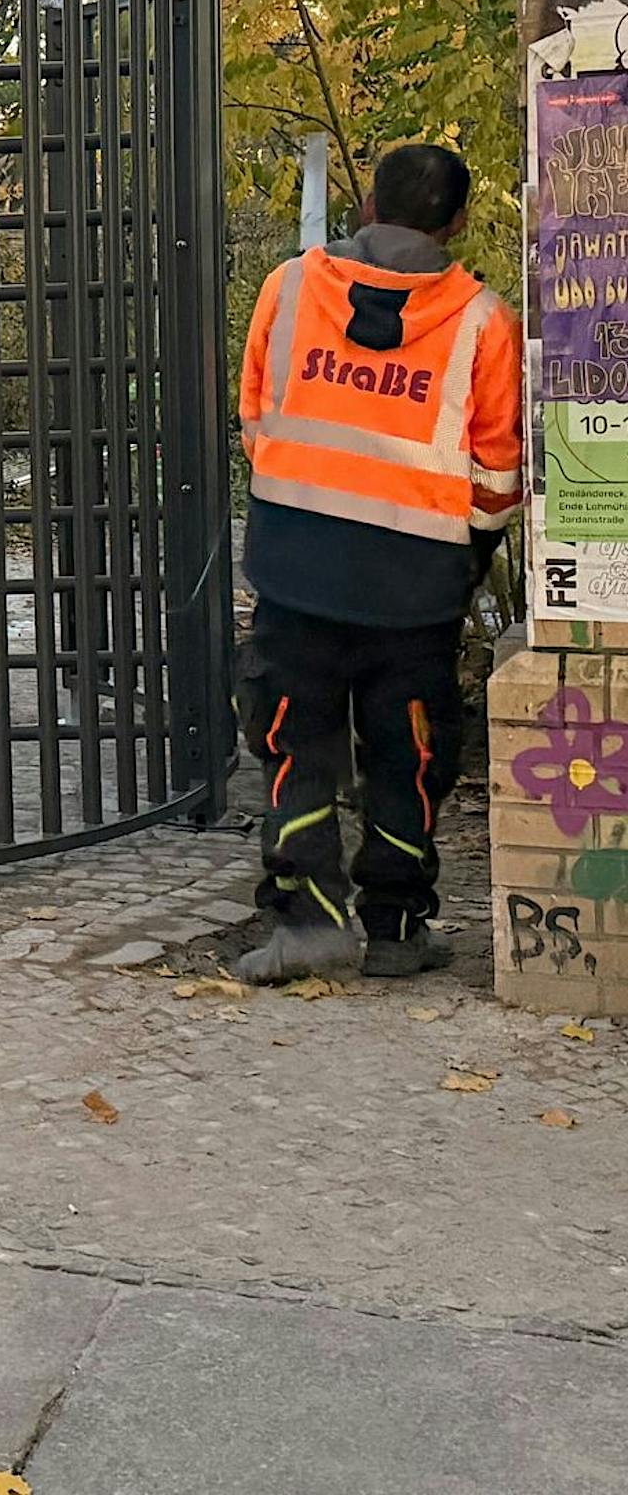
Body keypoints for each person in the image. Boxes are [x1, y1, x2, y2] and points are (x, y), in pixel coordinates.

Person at [235, 143, 523, 981]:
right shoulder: (482, 321)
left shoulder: (288, 289)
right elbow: (496, 479)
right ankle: (396, 930)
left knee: (294, 743)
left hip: (296, 569)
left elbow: (257, 421)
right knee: (409, 755)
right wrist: (461, 562)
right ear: (459, 222)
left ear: (366, 206)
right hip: (417, 590)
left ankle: (307, 923)